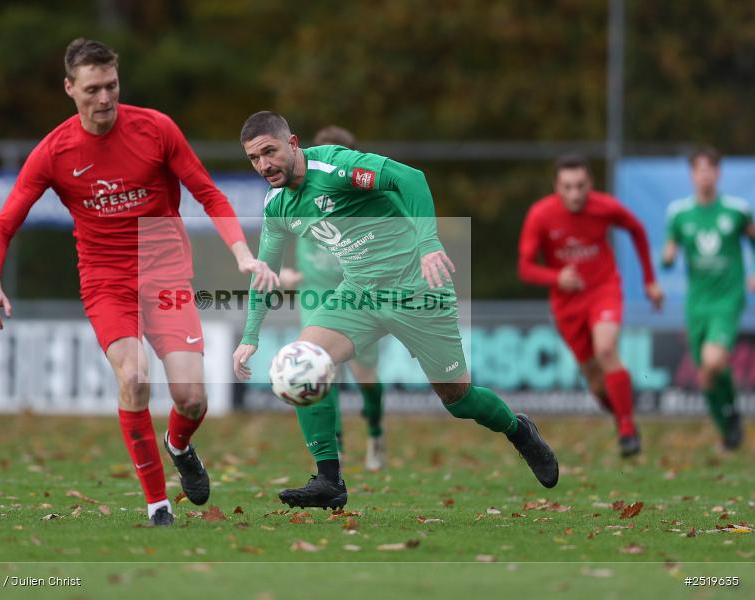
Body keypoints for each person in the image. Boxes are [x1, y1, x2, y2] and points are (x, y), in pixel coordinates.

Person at [0, 39, 278, 527]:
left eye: (111, 86)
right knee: (134, 377)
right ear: (69, 88)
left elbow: (208, 193)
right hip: (106, 281)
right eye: (92, 89)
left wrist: (242, 253)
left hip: (167, 274)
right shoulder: (53, 152)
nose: (104, 98)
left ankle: (178, 443)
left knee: (192, 398)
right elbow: (4, 224)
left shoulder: (156, 129)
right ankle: (158, 505)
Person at [234, 111, 558, 510]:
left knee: (459, 400)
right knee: (303, 361)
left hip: (417, 289)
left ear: (293, 143)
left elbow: (410, 179)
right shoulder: (278, 205)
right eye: (254, 158)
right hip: (360, 293)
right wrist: (250, 335)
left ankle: (518, 431)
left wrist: (428, 243)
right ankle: (329, 480)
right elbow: (265, 273)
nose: (264, 164)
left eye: (270, 151)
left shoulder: (336, 166)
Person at [518, 155, 663, 457]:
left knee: (606, 349)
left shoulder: (604, 206)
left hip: (603, 290)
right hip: (566, 304)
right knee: (597, 385)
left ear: (591, 184)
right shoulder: (540, 214)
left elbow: (637, 229)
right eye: (567, 186)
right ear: (556, 186)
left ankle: (627, 431)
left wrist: (650, 280)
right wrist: (557, 277)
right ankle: (623, 417)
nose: (575, 194)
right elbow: (525, 268)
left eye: (580, 185)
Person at [277, 125, 387, 473]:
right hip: (315, 293)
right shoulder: (299, 190)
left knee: (367, 377)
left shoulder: (363, 197)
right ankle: (334, 444)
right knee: (321, 368)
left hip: (357, 295)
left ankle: (375, 430)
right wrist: (282, 272)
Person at [662, 147, 755, 450]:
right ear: (692, 175)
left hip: (728, 298)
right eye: (699, 170)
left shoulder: (737, 211)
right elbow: (669, 249)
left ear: (718, 173)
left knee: (713, 361)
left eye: (709, 169)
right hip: (697, 303)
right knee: (706, 376)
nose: (704, 176)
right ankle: (729, 427)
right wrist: (668, 256)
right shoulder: (679, 213)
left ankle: (731, 418)